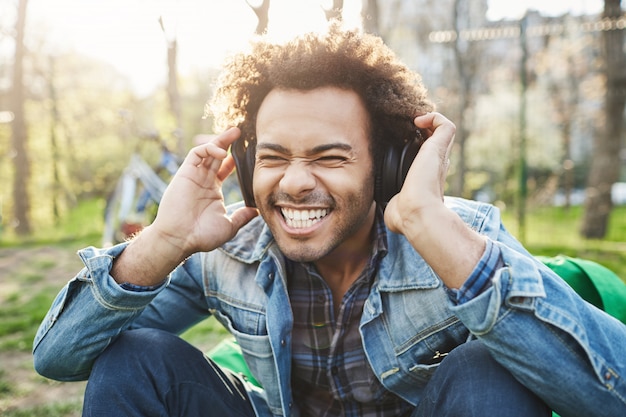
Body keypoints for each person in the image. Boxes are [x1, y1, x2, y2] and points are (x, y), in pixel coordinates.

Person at [33, 24, 626, 417]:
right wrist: (163, 242)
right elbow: (58, 359)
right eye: (273, 157)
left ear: (390, 165)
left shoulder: (457, 238)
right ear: (245, 164)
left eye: (329, 157)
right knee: (133, 355)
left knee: (484, 370)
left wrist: (437, 233)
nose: (293, 182)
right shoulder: (225, 248)